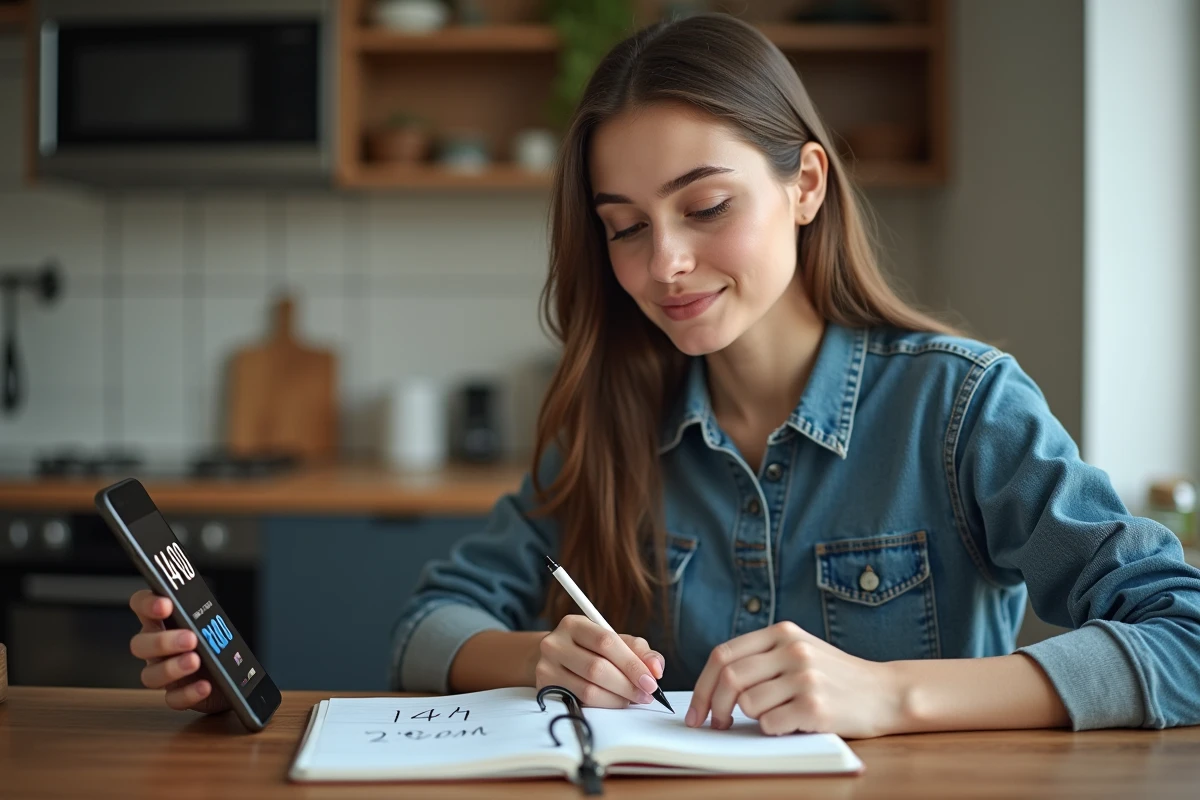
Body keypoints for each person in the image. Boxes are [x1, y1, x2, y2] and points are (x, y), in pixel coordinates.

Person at [127, 13, 1200, 737]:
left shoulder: (961, 407)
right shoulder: (610, 418)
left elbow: (1182, 632)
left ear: (806, 185)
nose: (664, 265)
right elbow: (429, 627)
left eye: (706, 206)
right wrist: (543, 657)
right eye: (625, 227)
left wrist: (892, 693)